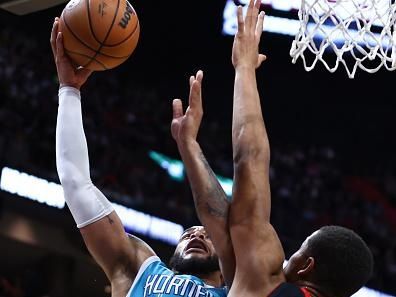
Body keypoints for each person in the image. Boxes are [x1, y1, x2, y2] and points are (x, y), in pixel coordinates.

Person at [179, 1, 374, 297]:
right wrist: (189, 147)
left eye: (295, 253)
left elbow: (250, 159)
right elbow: (220, 225)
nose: (286, 258)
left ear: (306, 267)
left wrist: (244, 68)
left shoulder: (268, 282)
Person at [50, 18, 227, 297]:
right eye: (189, 233)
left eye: (207, 235)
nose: (196, 235)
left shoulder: (243, 289)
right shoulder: (139, 268)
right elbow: (76, 183)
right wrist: (69, 90)